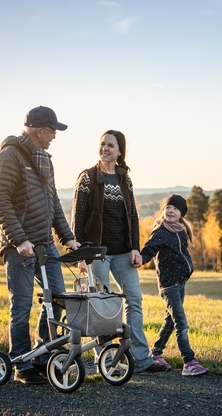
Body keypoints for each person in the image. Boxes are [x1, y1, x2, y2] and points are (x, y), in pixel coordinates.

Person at [0, 106, 80, 384]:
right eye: (53, 132)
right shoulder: (10, 156)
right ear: (40, 131)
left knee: (57, 299)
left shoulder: (45, 160)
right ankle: (20, 363)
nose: (55, 137)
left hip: (44, 244)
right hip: (20, 246)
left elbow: (52, 203)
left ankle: (44, 355)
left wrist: (67, 237)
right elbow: (1, 202)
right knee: (21, 305)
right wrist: (19, 240)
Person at [71, 130, 167, 373]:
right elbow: (78, 218)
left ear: (120, 151)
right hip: (97, 254)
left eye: (110, 145)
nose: (105, 148)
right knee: (100, 306)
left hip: (124, 252)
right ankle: (105, 361)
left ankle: (140, 360)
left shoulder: (125, 178)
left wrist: (135, 247)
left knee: (134, 301)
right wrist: (82, 254)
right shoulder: (87, 177)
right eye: (102, 144)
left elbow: (132, 216)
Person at [135, 194, 209, 376]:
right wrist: (140, 259)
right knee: (181, 323)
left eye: (175, 209)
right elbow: (149, 250)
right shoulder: (160, 231)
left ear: (181, 214)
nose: (170, 211)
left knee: (170, 321)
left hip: (180, 282)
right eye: (168, 207)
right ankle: (189, 362)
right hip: (169, 286)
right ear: (163, 210)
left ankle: (156, 354)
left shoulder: (180, 231)